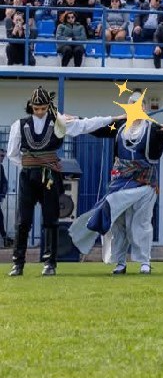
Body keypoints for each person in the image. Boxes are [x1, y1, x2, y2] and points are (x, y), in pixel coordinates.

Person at [7, 87, 117, 276]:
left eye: (42, 108)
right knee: (23, 221)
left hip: (50, 175)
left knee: (51, 219)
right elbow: (12, 154)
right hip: (28, 175)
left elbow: (86, 125)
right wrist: (31, 165)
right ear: (31, 107)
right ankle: (18, 263)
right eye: (36, 108)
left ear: (48, 106)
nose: (40, 112)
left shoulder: (59, 122)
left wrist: (113, 119)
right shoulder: (20, 125)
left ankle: (50, 263)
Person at [68, 90, 163, 274]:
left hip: (144, 184)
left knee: (141, 223)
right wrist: (77, 120)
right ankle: (120, 261)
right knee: (118, 222)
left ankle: (144, 261)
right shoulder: (119, 126)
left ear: (144, 108)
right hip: (120, 182)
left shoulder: (153, 129)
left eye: (138, 104)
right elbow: (97, 129)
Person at [0, 148, 13, 247]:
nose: (2, 158)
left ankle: (4, 237)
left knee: (0, 217)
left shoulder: (1, 168)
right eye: (1, 156)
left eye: (3, 156)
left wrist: (3, 193)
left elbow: (4, 182)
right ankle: (4, 238)